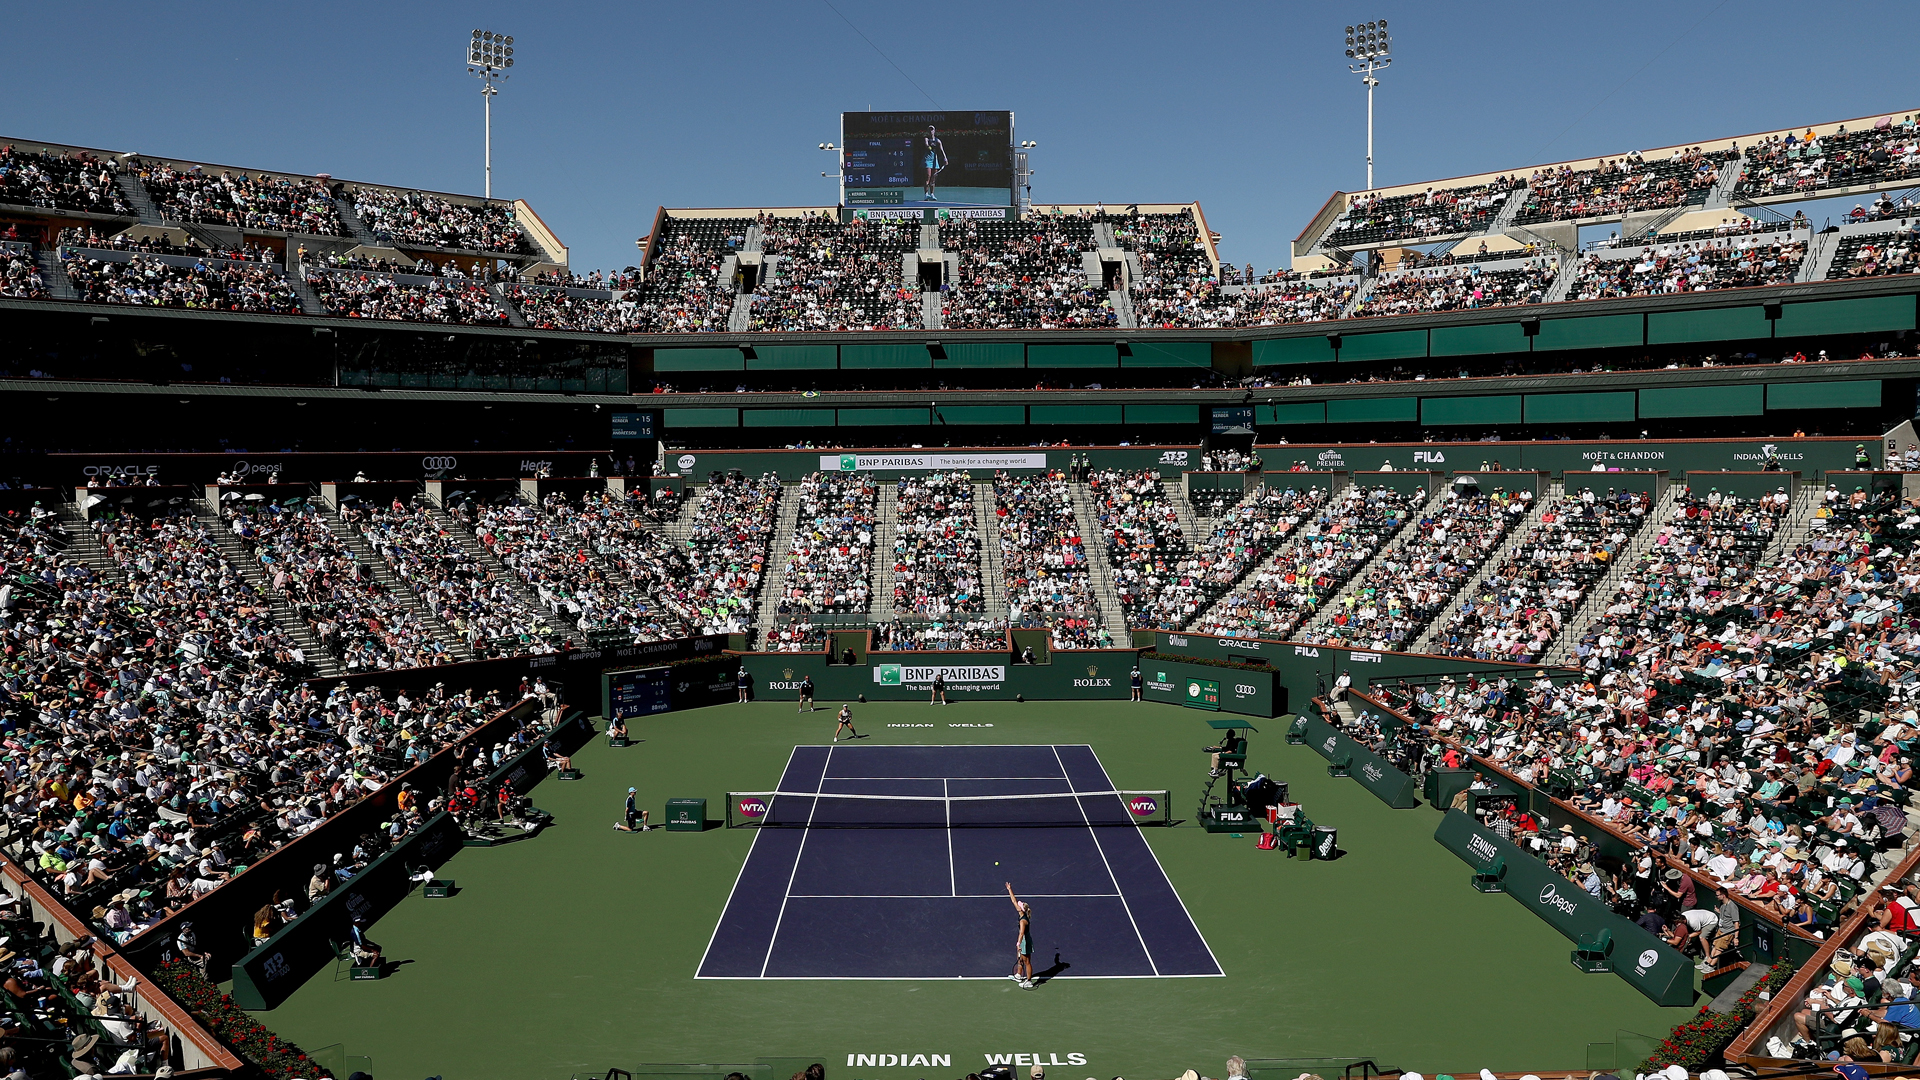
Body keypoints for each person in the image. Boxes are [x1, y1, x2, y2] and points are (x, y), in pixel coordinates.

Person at [1005, 882, 1034, 989]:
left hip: (1024, 941)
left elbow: (1021, 933)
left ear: (1021, 909)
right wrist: (1009, 889)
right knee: (1020, 959)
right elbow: (1013, 901)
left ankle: (1029, 981)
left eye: (1019, 905)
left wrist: (1018, 944)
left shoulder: (1023, 921)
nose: (1017, 905)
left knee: (1026, 962)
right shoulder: (1021, 913)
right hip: (1023, 940)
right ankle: (1018, 975)